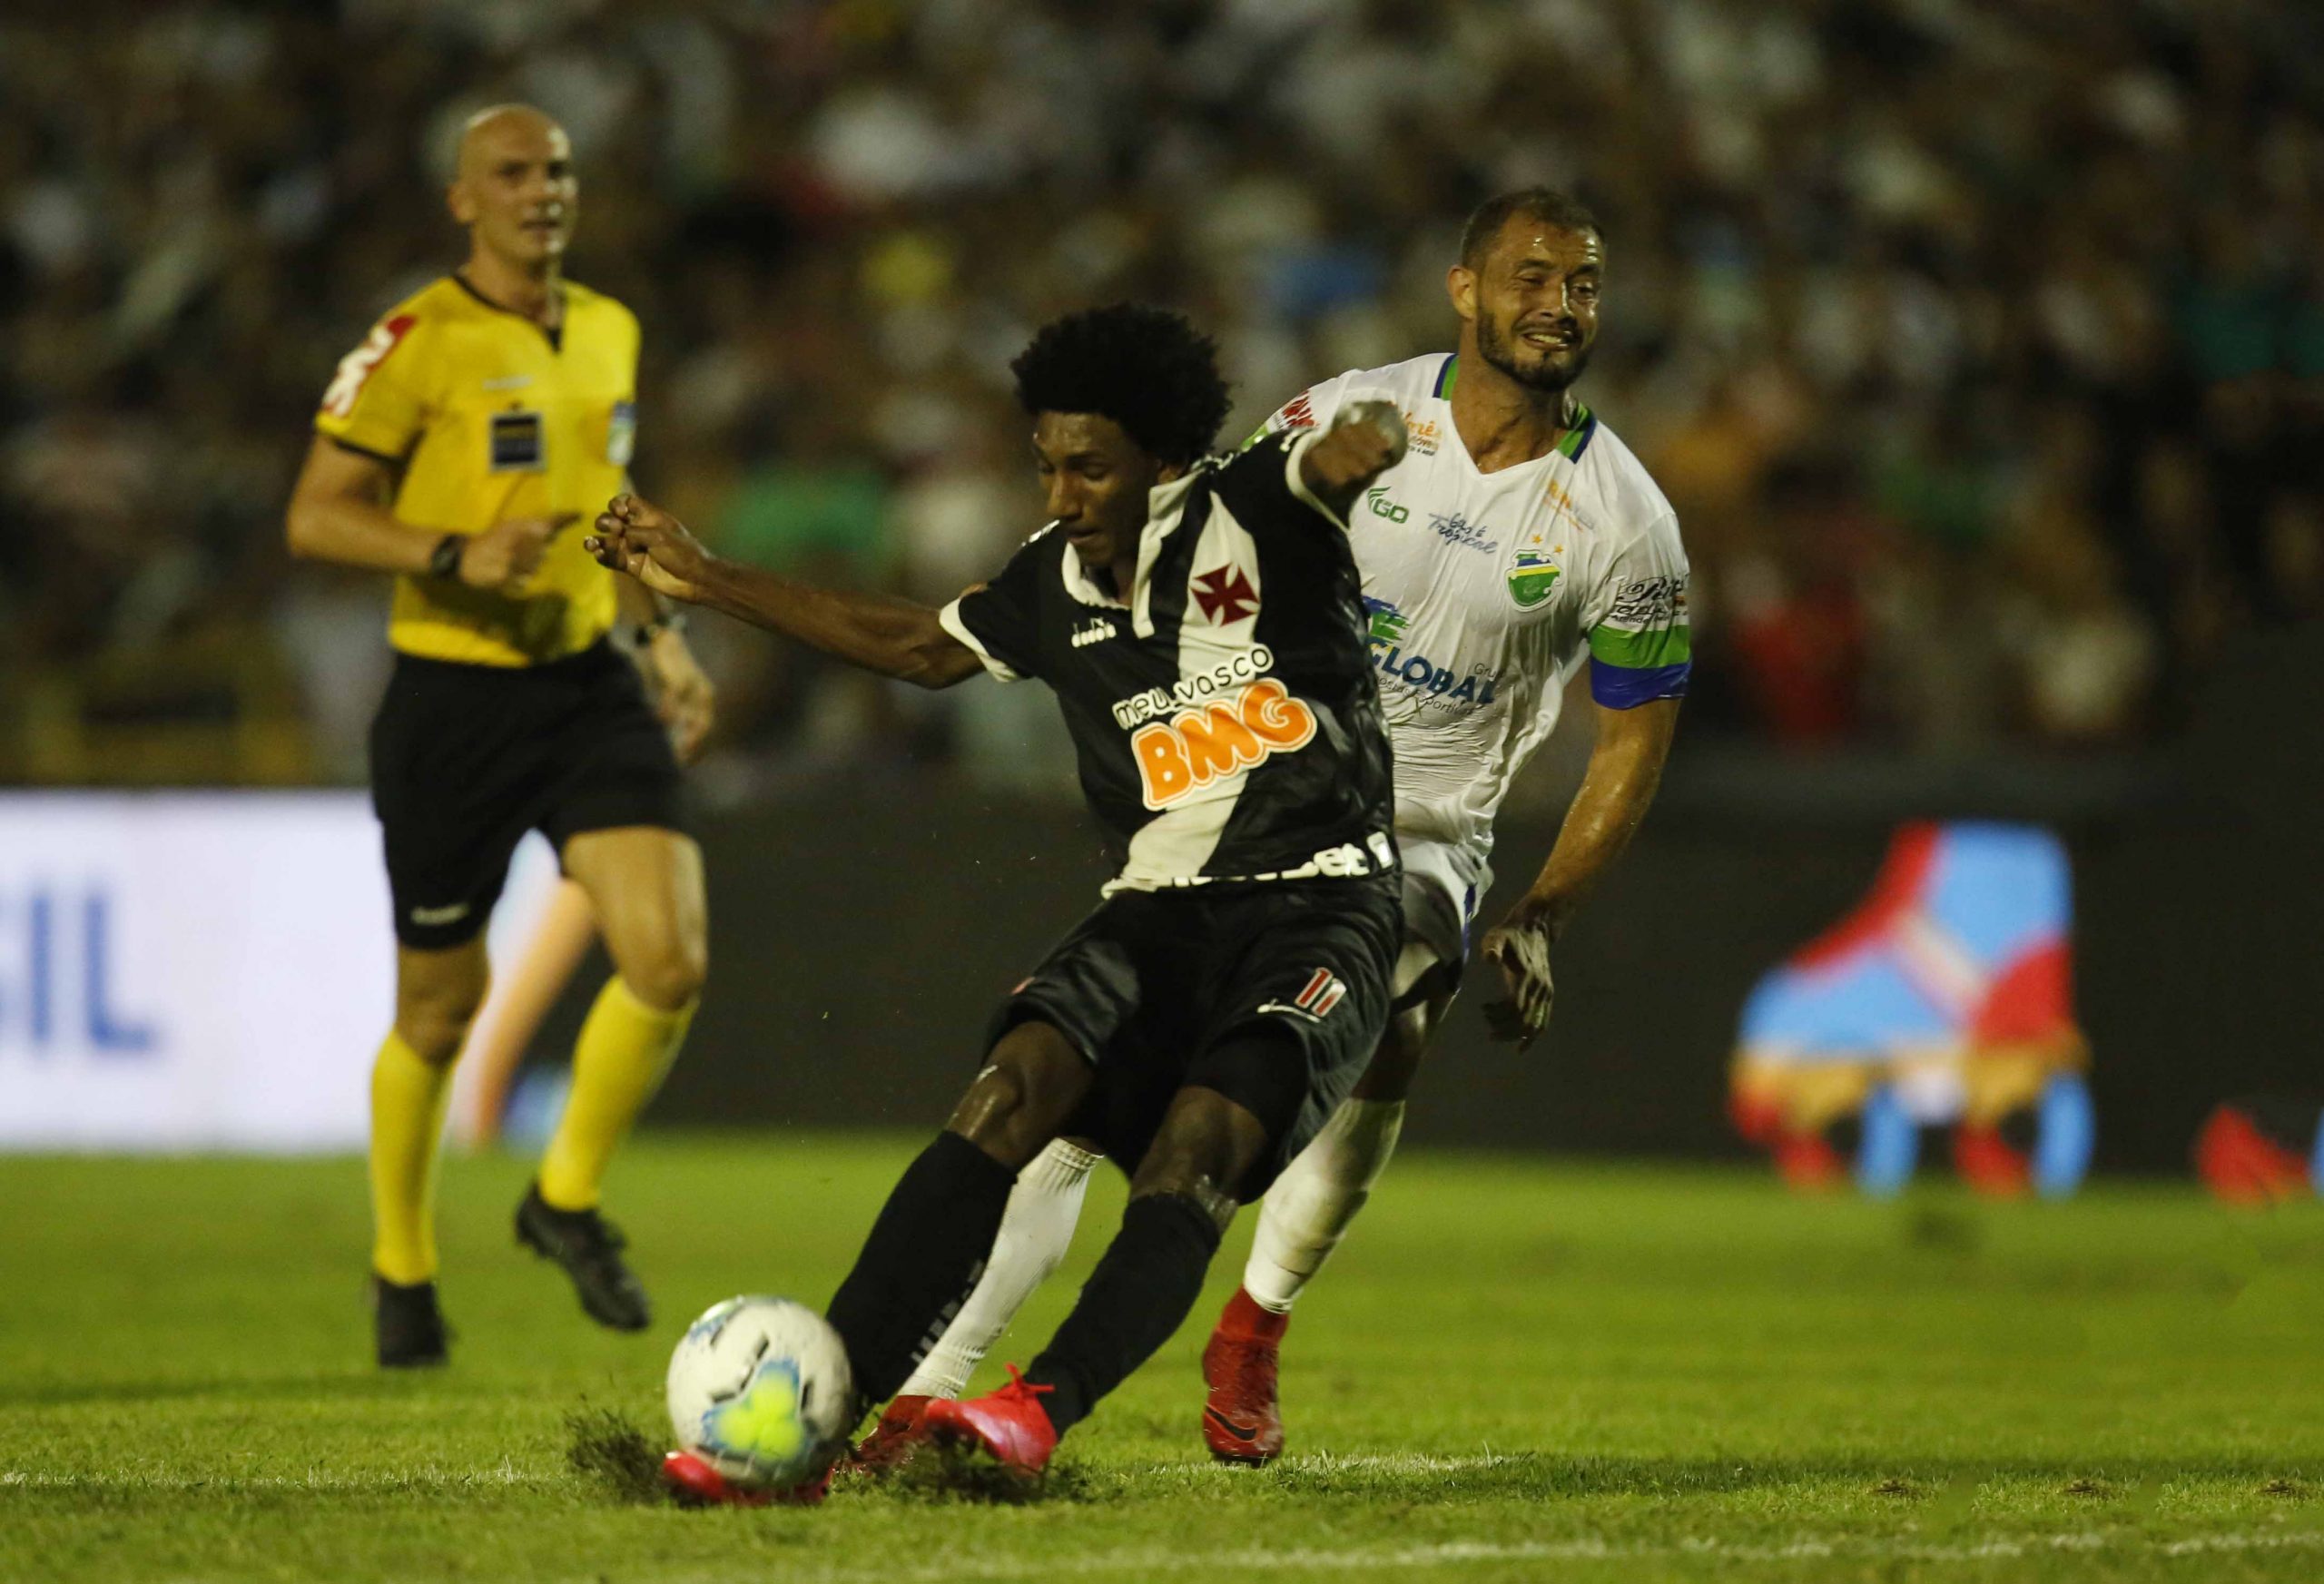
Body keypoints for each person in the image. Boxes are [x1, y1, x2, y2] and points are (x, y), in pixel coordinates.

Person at [858, 186, 1690, 1467]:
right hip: (1241, 796)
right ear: (1464, 290)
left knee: (1395, 1017)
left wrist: (1541, 914)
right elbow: (1202, 526)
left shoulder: (1628, 527)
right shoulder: (1354, 412)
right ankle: (933, 1384)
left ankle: (1254, 1318)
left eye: (1582, 285)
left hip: (1416, 835)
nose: (1559, 306)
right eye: (1530, 277)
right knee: (1074, 1091)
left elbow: (1633, 743)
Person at [588, 303, 1407, 1487]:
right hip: (1154, 912)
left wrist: (1367, 435)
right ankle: (819, 1415)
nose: (1064, 492)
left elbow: (1331, 452)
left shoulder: (1259, 507)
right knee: (1007, 1091)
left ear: (1164, 461)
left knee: (1198, 1149)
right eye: (1047, 465)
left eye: (1091, 467)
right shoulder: (1049, 578)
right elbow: (920, 646)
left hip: (1322, 909)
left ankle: (1036, 1408)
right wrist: (708, 578)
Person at [284, 104, 715, 1368]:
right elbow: (315, 515)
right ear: (464, 200)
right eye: (513, 174)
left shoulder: (611, 328)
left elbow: (603, 509)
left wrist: (657, 635)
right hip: (451, 702)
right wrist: (449, 551)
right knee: (439, 1009)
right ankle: (402, 1269)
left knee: (668, 955)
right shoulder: (416, 339)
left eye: (560, 170)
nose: (543, 191)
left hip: (585, 683)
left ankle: (563, 1197)